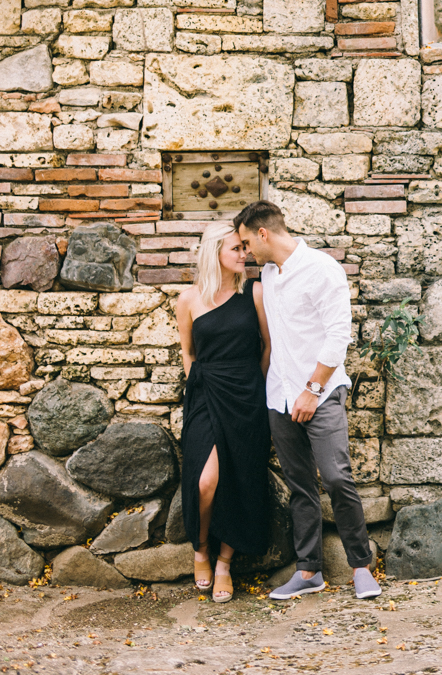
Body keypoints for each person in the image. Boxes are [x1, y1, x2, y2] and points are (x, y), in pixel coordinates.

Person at [235, 200, 381, 601]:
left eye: (247, 243)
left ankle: (360, 567)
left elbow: (338, 337)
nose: (246, 253)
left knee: (337, 478)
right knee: (300, 485)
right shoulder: (269, 273)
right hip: (279, 395)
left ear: (263, 233)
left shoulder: (321, 269)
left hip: (321, 392)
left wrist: (312, 391)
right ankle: (308, 571)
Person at [175, 221, 272, 603]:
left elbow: (266, 346)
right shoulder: (189, 299)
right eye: (236, 249)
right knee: (206, 481)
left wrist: (256, 387)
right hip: (205, 393)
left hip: (247, 394)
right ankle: (200, 548)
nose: (244, 254)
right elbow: (188, 351)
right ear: (215, 252)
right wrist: (196, 388)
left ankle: (224, 564)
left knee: (242, 477)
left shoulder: (256, 292)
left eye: (244, 248)